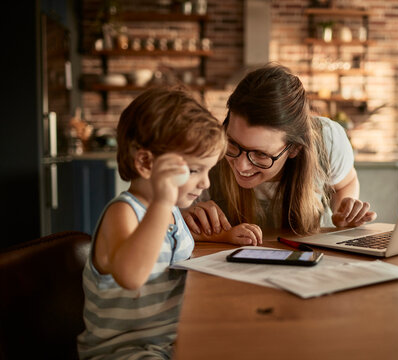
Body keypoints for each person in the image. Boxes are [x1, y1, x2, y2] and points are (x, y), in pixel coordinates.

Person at [77, 86, 261, 360]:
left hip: (172, 341)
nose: (206, 182)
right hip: (125, 351)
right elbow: (131, 275)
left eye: (208, 170)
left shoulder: (171, 212)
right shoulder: (123, 213)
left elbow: (171, 244)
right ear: (145, 163)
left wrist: (225, 237)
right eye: (194, 170)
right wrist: (163, 203)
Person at [183, 63, 376, 242]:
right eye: (232, 143)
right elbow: (166, 215)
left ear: (294, 148)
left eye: (260, 154)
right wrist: (180, 215)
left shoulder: (327, 139)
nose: (241, 165)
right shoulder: (208, 147)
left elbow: (346, 182)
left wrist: (343, 214)